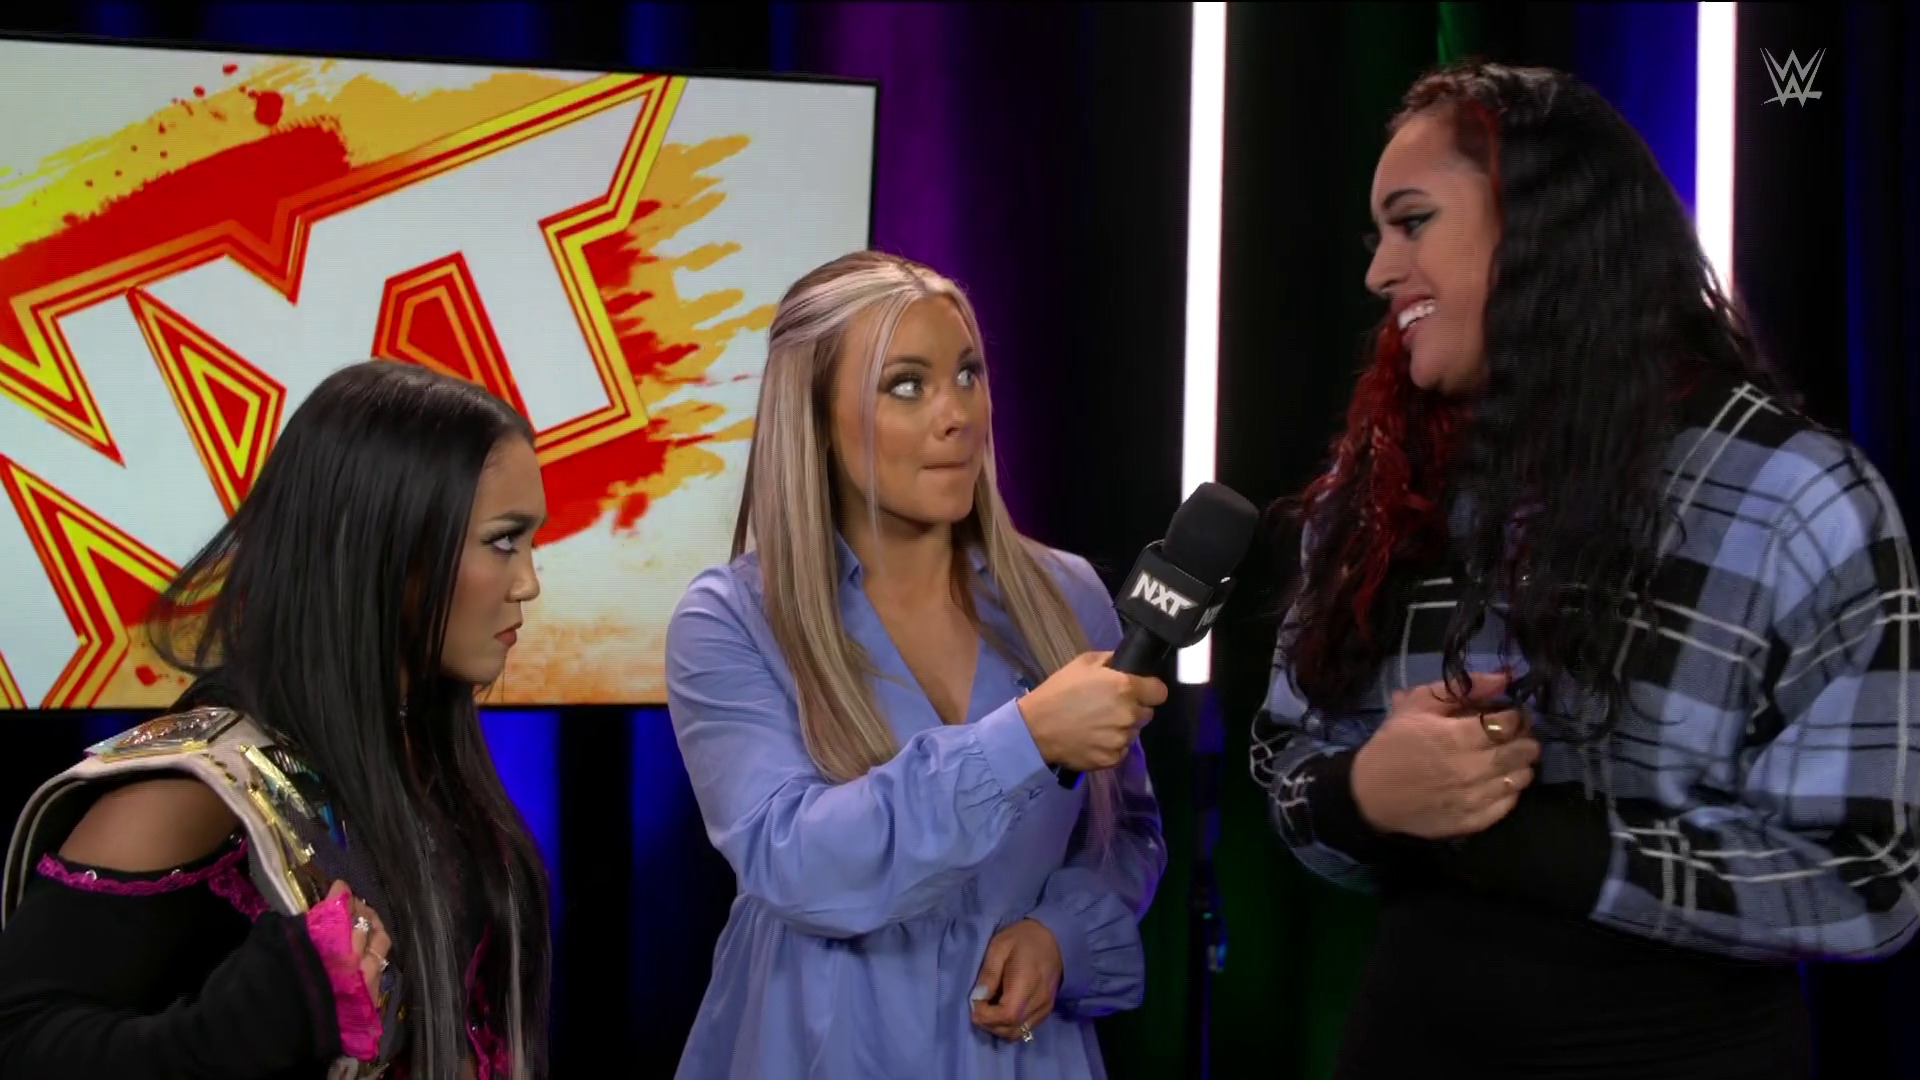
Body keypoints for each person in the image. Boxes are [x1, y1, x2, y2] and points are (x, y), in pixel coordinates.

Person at [1249, 61, 1920, 1080]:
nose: (1382, 273)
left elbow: (1868, 881)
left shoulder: (1795, 499)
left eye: (1413, 222)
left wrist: (1549, 848)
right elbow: (1288, 758)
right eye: (1377, 237)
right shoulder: (1377, 492)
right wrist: (1362, 794)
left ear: (1543, 228)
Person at [665, 250, 1167, 1079]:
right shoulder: (730, 620)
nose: (957, 414)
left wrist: (1061, 937)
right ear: (813, 418)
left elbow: (1125, 835)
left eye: (968, 374)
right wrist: (1024, 741)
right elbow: (793, 862)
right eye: (907, 385)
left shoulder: (1067, 595)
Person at [0, 361, 553, 1080]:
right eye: (504, 541)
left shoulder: (425, 751)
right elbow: (19, 1043)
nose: (528, 582)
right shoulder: (194, 790)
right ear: (383, 543)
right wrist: (247, 1021)